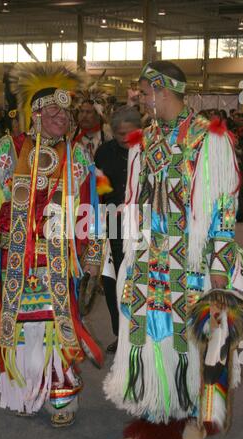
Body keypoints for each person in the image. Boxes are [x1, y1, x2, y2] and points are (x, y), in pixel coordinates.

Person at [103, 60, 243, 439]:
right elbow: (133, 202)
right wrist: (130, 250)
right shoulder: (143, 141)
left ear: (161, 90)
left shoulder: (209, 138)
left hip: (194, 259)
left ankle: (199, 413)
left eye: (145, 93)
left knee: (196, 338)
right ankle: (157, 416)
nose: (142, 100)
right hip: (151, 256)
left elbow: (224, 203)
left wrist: (220, 258)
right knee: (150, 335)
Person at [0, 64, 103, 427]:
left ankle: (61, 397)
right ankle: (25, 389)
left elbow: (90, 207)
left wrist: (94, 252)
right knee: (22, 327)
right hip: (16, 260)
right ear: (35, 116)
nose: (61, 117)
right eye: (52, 111)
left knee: (57, 324)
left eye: (65, 111)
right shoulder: (11, 149)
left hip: (57, 259)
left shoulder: (77, 156)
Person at [95, 105, 142, 353]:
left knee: (139, 278)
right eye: (119, 133)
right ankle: (120, 333)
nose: (124, 138)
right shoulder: (104, 152)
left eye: (130, 132)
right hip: (112, 222)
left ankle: (140, 333)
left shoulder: (150, 151)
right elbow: (97, 191)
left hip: (144, 223)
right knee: (113, 279)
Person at [73, 83, 112, 161]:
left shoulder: (108, 137)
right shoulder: (71, 136)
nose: (84, 115)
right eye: (81, 111)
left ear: (98, 115)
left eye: (88, 112)